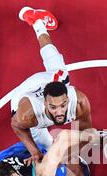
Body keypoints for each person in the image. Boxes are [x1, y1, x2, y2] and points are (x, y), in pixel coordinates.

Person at [11, 7, 93, 165]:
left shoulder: (80, 102)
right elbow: (16, 126)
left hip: (54, 79)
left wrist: (73, 154)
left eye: (63, 105)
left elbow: (84, 132)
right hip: (25, 94)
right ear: (45, 103)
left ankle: (37, 21)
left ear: (68, 98)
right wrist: (34, 152)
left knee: (55, 63)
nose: (60, 112)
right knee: (44, 144)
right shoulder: (27, 115)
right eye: (53, 108)